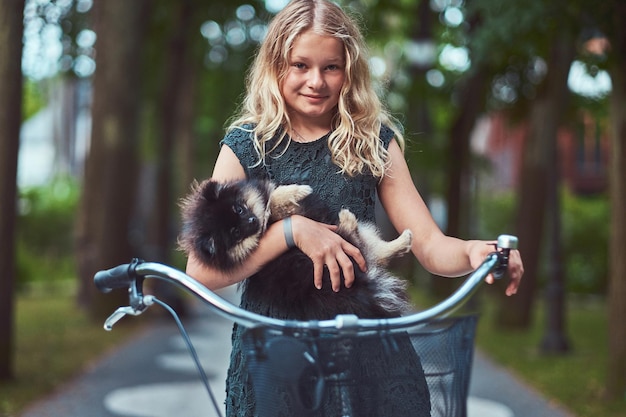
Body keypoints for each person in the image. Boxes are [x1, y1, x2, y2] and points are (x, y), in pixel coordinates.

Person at [185, 0, 524, 416]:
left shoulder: (371, 141)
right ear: (276, 67)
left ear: (350, 70)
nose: (316, 81)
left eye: (331, 67)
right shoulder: (246, 146)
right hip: (277, 364)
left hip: (369, 359)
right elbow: (200, 272)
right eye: (300, 65)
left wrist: (474, 252)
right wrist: (292, 233)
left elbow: (430, 245)